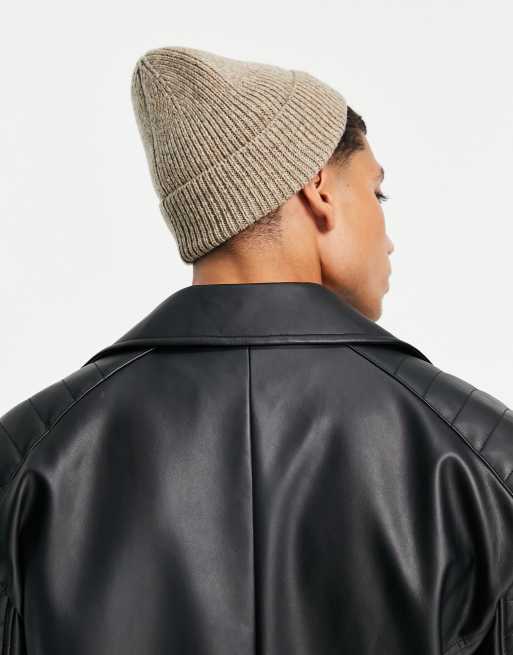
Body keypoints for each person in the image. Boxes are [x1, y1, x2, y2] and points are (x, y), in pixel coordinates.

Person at [1, 46, 512, 655]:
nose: (389, 240)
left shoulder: (30, 457)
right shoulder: (480, 456)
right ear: (319, 189)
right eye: (378, 194)